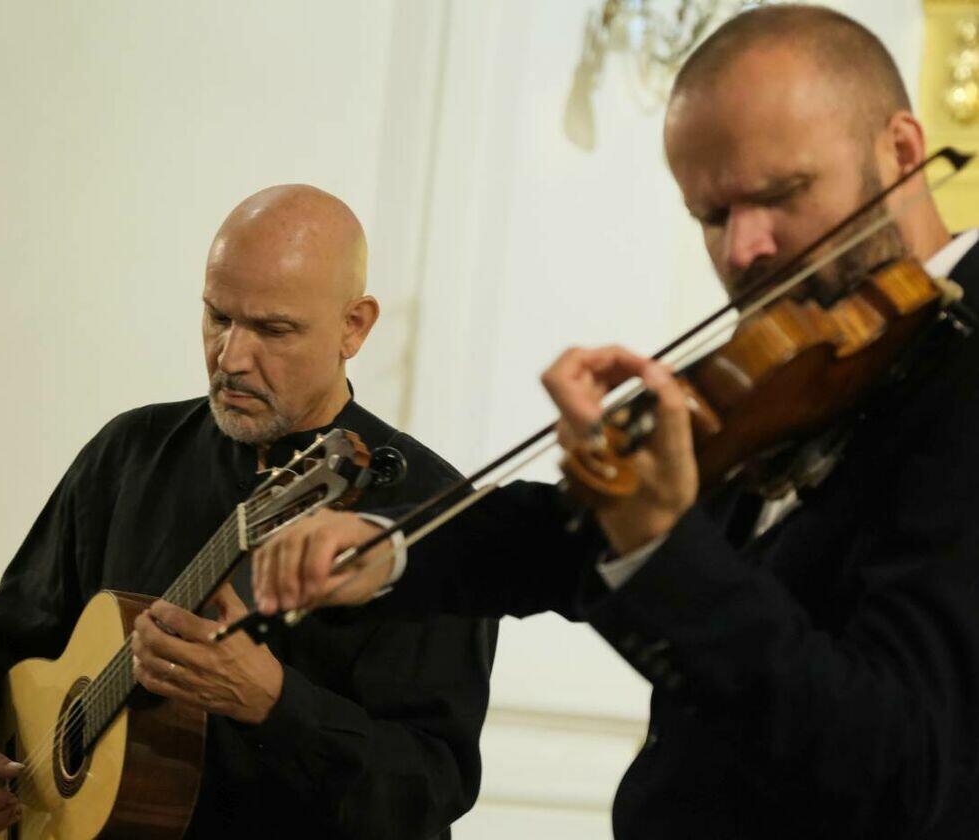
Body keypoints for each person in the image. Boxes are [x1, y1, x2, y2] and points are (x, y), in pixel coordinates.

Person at [251, 6, 979, 838]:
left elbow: (906, 771)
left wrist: (663, 546)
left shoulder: (957, 370)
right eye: (712, 215)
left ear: (903, 151)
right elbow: (577, 531)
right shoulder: (815, 352)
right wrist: (391, 548)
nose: (743, 249)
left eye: (782, 194)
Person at [0, 184, 497, 840]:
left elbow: (429, 788)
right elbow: (1, 641)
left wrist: (276, 704)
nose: (231, 358)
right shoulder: (129, 453)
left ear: (353, 327)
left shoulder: (431, 517)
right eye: (218, 317)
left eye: (273, 329)